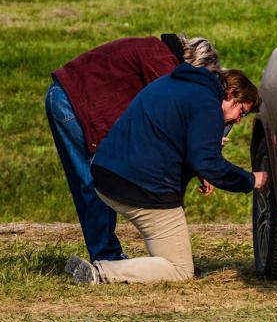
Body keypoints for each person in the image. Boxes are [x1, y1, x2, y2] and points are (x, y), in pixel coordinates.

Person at [64, 66, 269, 284]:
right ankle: (100, 272)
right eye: (242, 113)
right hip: (140, 187)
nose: (238, 121)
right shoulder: (208, 104)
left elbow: (174, 139)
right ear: (231, 95)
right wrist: (251, 179)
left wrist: (199, 167)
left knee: (169, 258)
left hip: (104, 172)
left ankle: (118, 266)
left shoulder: (176, 83)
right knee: (180, 270)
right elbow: (208, 162)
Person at [45, 34, 221, 263]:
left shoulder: (155, 51)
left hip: (62, 97)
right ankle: (106, 257)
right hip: (74, 105)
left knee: (87, 184)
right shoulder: (163, 63)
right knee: (94, 183)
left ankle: (105, 253)